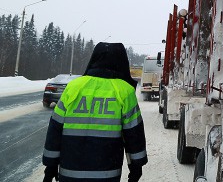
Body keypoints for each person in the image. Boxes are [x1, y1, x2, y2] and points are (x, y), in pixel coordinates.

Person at [42, 42, 147, 182]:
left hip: (70, 173)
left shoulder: (73, 87)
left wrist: (50, 166)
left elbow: (55, 130)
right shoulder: (125, 91)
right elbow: (134, 135)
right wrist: (136, 167)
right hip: (106, 174)